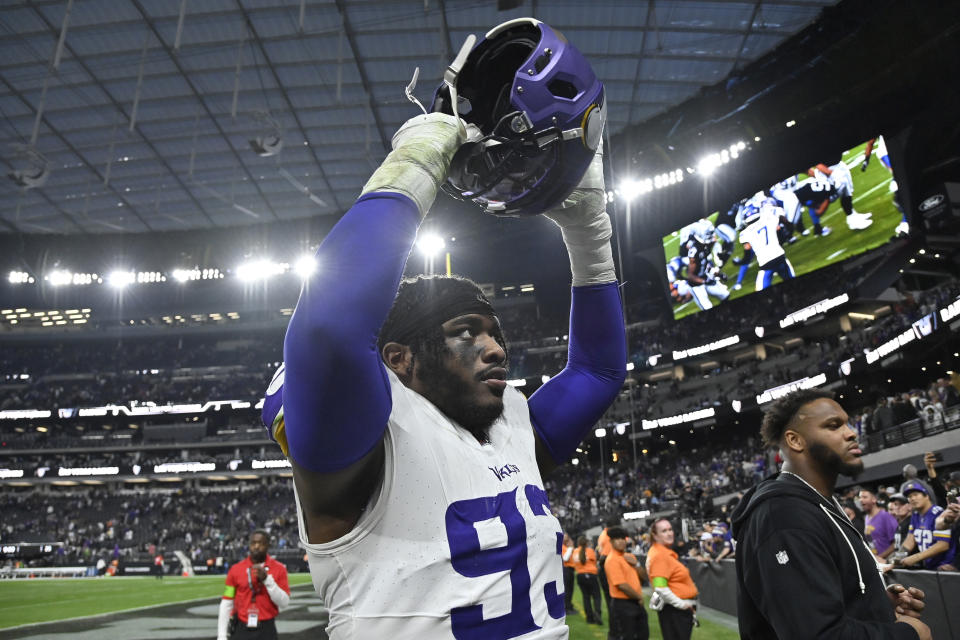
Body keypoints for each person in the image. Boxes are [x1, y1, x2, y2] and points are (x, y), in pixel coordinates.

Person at [259, 25, 626, 637]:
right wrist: (412, 166)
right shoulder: (372, 447)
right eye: (465, 333)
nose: (494, 347)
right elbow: (327, 326)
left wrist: (589, 233)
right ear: (398, 360)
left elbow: (598, 371)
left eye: (494, 333)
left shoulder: (511, 425)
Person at [731, 388, 930, 640]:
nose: (851, 433)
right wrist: (909, 634)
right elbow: (816, 635)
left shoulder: (819, 502)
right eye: (834, 426)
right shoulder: (783, 516)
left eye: (847, 423)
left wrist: (874, 601)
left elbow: (820, 602)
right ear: (795, 440)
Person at [217, 530, 290, 640]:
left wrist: (267, 580)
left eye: (261, 543)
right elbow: (227, 602)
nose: (256, 546)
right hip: (241, 627)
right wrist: (221, 636)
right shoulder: (235, 569)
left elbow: (284, 603)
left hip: (266, 628)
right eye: (253, 543)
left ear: (268, 545)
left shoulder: (279, 569)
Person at [645, 519, 698, 640]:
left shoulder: (662, 552)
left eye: (670, 529)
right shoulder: (659, 555)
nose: (669, 533)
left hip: (675, 610)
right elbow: (660, 588)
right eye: (664, 531)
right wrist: (682, 605)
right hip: (675, 611)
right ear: (655, 535)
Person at [896, 482, 956, 570]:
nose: (912, 498)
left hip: (945, 566)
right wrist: (896, 559)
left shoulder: (938, 513)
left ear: (926, 496)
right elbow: (909, 542)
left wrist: (916, 557)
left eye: (915, 494)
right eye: (909, 496)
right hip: (929, 566)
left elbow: (943, 545)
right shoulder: (915, 515)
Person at [604, 526, 649, 640]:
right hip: (622, 604)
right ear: (611, 541)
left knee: (643, 635)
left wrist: (637, 564)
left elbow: (644, 578)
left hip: (635, 602)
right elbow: (622, 585)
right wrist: (639, 597)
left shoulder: (630, 557)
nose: (621, 541)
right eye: (617, 539)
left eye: (623, 538)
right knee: (626, 636)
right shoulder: (611, 560)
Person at [860, 487, 898, 559]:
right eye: (860, 497)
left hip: (886, 561)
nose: (861, 500)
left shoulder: (886, 516)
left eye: (865, 497)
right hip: (876, 561)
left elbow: (896, 543)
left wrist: (880, 557)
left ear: (874, 499)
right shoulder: (867, 518)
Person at [573, 535, 603, 625]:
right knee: (597, 596)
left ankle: (589, 618)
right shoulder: (590, 551)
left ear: (578, 543)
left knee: (586, 597)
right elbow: (594, 563)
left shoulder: (575, 552)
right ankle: (597, 612)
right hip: (591, 575)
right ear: (586, 543)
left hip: (580, 576)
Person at [561, 533, 578, 614]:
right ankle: (567, 608)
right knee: (568, 589)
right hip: (566, 569)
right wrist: (570, 548)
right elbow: (565, 558)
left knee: (570, 589)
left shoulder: (566, 547)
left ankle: (569, 606)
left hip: (570, 569)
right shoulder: (562, 547)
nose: (567, 539)